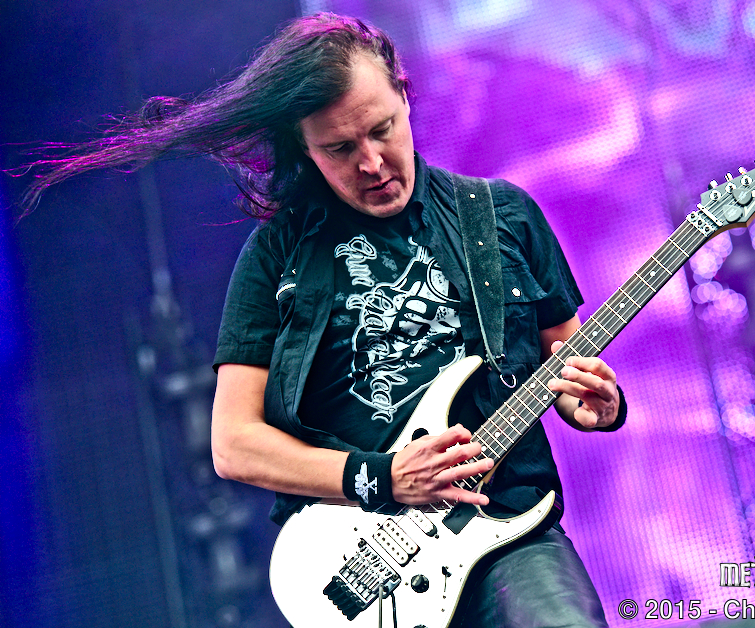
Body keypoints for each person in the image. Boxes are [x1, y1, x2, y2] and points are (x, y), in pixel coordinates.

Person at [21, 13, 626, 627]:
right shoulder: (274, 257)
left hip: (510, 534)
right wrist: (383, 477)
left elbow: (565, 365)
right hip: (362, 560)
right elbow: (234, 443)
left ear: (405, 96)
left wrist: (595, 404)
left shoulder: (502, 215)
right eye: (340, 148)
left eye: (381, 130)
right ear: (305, 149)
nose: (371, 162)